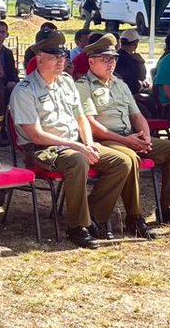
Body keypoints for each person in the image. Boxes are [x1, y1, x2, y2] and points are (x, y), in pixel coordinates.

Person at [9, 30, 151, 246]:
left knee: (121, 161)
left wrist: (89, 143)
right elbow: (36, 134)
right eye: (54, 57)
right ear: (39, 59)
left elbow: (81, 117)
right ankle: (77, 227)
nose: (61, 62)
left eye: (63, 57)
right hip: (43, 149)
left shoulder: (66, 82)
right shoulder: (24, 90)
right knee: (77, 160)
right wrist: (77, 146)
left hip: (74, 144)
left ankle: (95, 215)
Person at [75, 35, 170, 225]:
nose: (110, 63)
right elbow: (90, 125)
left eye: (113, 59)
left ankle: (167, 207)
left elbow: (137, 115)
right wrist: (127, 141)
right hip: (105, 139)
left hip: (130, 136)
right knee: (130, 157)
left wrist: (145, 136)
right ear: (91, 61)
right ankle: (134, 216)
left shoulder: (119, 84)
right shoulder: (82, 86)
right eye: (105, 59)